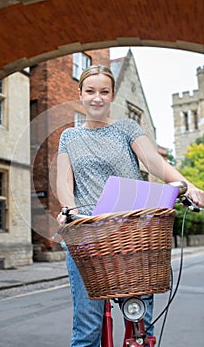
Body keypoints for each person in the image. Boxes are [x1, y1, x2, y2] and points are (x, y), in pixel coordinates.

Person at [56, 64, 204, 347]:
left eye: (104, 91)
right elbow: (64, 181)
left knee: (140, 328)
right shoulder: (69, 137)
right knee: (86, 330)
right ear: (80, 94)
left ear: (111, 95)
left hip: (130, 233)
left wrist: (189, 185)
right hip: (86, 234)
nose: (97, 97)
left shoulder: (126, 128)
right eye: (90, 91)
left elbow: (155, 163)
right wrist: (68, 210)